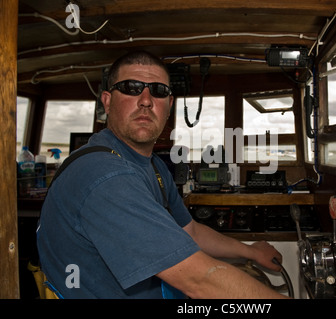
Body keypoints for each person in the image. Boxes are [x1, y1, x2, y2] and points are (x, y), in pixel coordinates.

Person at [37, 50, 289, 299]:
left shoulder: (154, 165)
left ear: (168, 106)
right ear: (107, 101)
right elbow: (197, 279)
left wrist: (250, 251)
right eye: (131, 87)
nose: (146, 100)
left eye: (158, 91)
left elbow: (190, 232)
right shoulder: (104, 175)